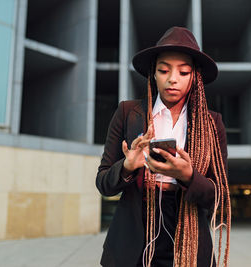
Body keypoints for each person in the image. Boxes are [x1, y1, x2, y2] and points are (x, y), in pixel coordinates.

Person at [96, 26, 231, 267]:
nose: (172, 79)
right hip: (133, 234)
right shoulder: (128, 112)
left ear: (195, 77)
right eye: (163, 70)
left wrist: (187, 175)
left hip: (188, 238)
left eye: (184, 71)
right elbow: (103, 183)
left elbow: (219, 196)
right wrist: (127, 166)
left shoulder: (212, 123)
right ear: (153, 73)